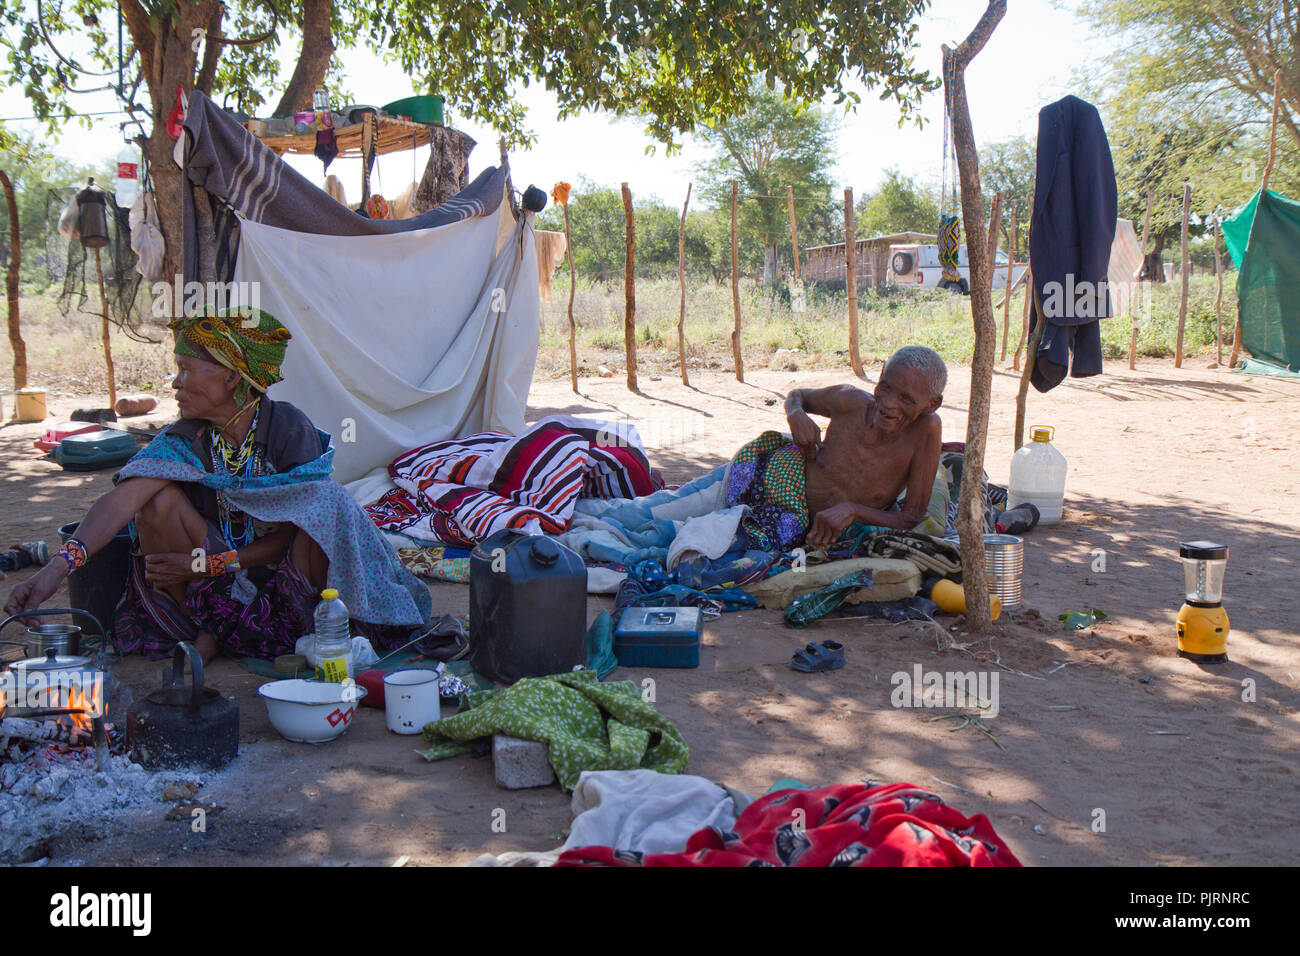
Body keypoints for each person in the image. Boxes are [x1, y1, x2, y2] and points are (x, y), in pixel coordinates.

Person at [5, 309, 430, 662]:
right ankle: (208, 628)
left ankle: (284, 631)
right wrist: (51, 573)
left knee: (328, 502)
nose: (175, 383)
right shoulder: (187, 436)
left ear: (231, 378)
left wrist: (207, 565)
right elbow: (120, 502)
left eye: (186, 369)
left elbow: (292, 536)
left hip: (281, 581)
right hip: (211, 589)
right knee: (156, 500)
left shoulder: (287, 429)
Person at [726, 345, 945, 552]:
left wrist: (852, 509)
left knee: (723, 545)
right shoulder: (849, 401)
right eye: (885, 387)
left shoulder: (925, 431)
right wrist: (796, 414)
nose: (888, 403)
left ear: (932, 404)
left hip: (794, 527)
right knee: (699, 517)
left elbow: (911, 517)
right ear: (880, 375)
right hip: (766, 479)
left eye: (906, 399)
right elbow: (798, 396)